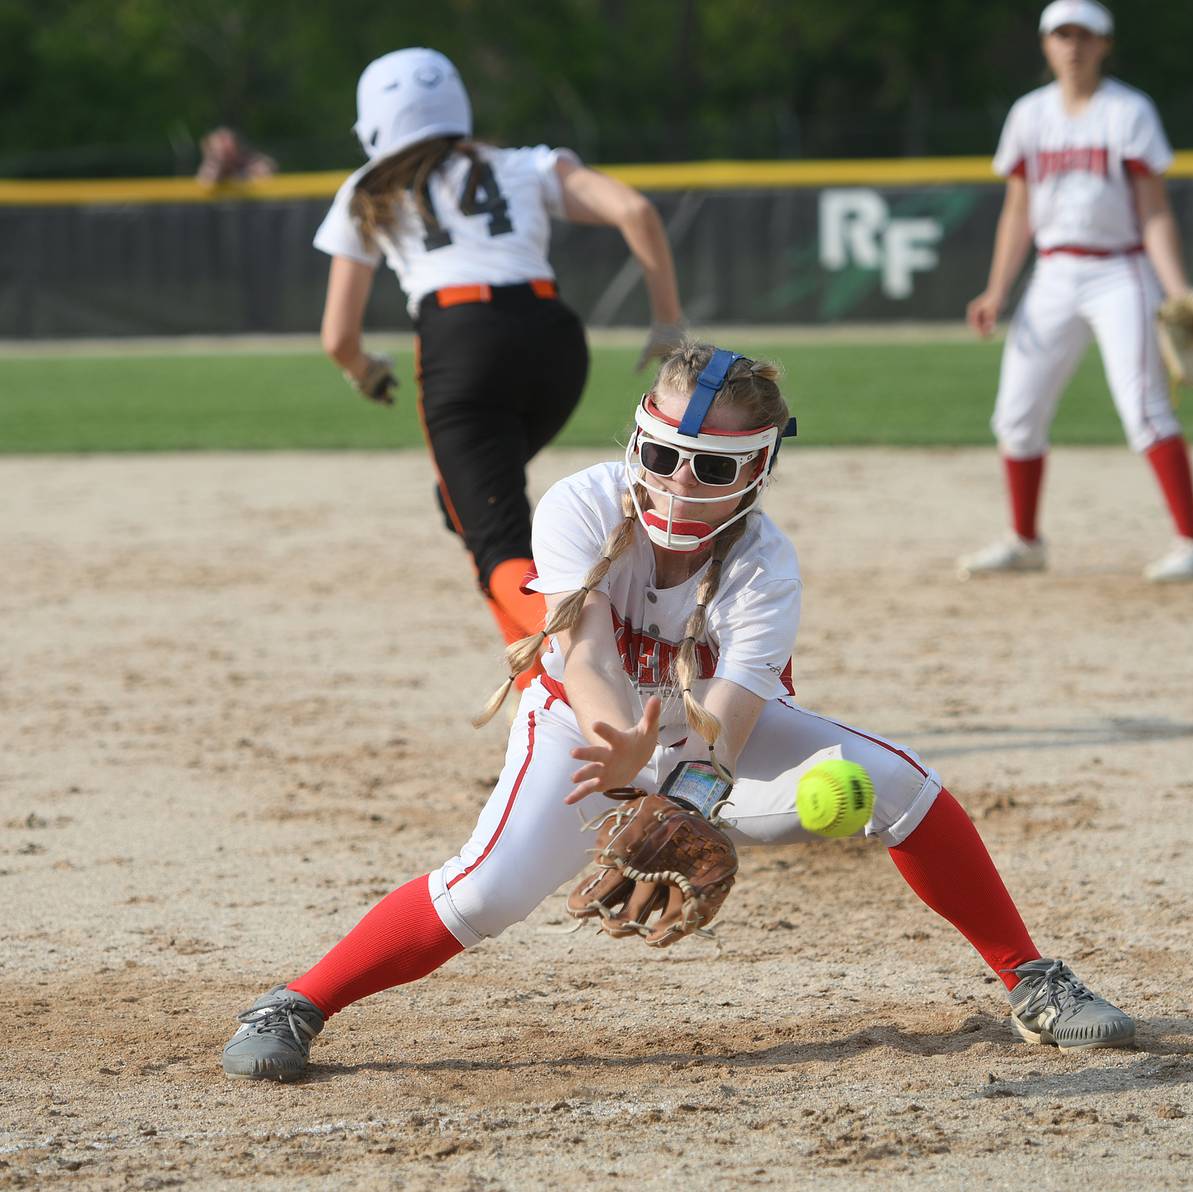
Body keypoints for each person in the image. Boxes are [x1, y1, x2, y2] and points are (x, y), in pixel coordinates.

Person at [220, 343, 1137, 1081]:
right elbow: (582, 654)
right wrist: (618, 746)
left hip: (705, 743)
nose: (679, 482)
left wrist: (687, 795)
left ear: (760, 467)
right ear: (636, 443)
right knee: (484, 894)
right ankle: (295, 1002)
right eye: (662, 455)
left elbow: (731, 713)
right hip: (584, 730)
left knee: (896, 784)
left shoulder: (764, 564)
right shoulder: (582, 504)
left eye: (711, 465)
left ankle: (1033, 980)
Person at [314, 48, 686, 662]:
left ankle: (601, 654)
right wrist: (667, 322)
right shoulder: (524, 165)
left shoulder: (368, 188)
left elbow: (338, 339)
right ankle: (533, 674)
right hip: (556, 339)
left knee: (494, 543)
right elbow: (635, 210)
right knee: (470, 508)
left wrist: (365, 371)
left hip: (462, 341)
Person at [960, 0, 1193, 584]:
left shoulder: (1128, 111)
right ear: (1046, 44)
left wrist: (1177, 292)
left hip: (1120, 272)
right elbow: (1018, 210)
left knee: (1145, 411)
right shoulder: (1029, 115)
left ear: (1105, 44)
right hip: (1053, 274)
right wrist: (997, 289)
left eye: (1084, 35)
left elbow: (1155, 210)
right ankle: (1026, 541)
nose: (1072, 45)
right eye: (1061, 34)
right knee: (1016, 416)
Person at [194, 126, 276, 187]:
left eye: (228, 146)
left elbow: (267, 170)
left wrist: (245, 175)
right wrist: (216, 165)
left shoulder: (248, 162)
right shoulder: (211, 165)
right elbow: (205, 183)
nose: (224, 150)